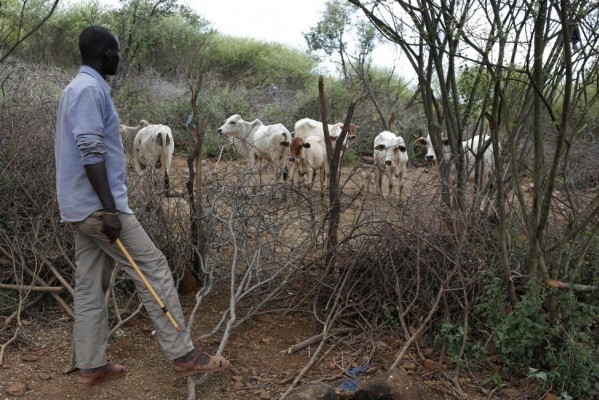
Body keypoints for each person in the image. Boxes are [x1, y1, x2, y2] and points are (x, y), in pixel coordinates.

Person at [54, 25, 230, 389]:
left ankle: (91, 366)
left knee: (89, 285)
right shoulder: (88, 90)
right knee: (153, 269)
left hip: (80, 209)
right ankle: (183, 355)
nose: (119, 57)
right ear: (105, 53)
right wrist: (110, 209)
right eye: (116, 51)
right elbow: (90, 149)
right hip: (99, 209)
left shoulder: (81, 88)